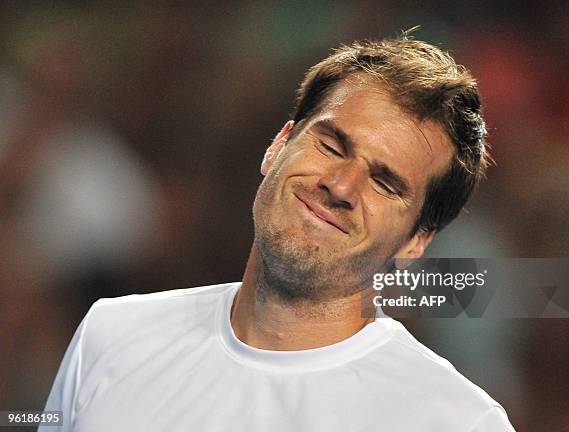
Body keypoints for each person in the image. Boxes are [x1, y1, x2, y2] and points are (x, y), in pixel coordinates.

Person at [41, 35, 515, 431]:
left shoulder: (457, 422)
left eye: (384, 183)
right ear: (278, 146)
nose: (341, 185)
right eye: (331, 145)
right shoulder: (111, 335)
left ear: (415, 242)